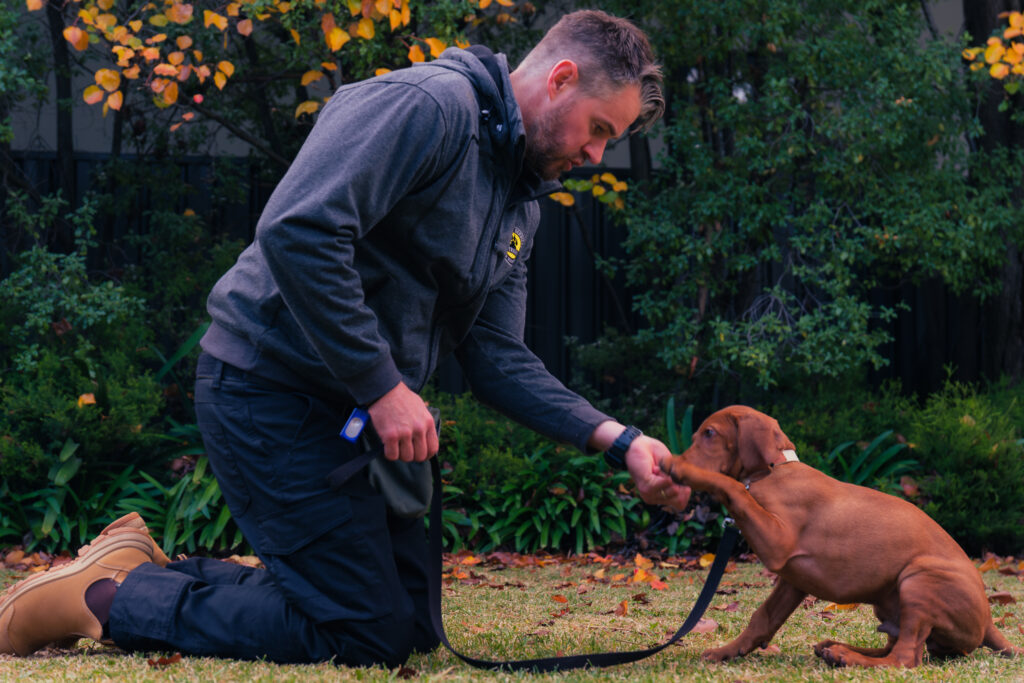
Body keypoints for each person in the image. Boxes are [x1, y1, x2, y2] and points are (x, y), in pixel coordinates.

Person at [0, 9, 691, 666]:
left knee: (412, 626)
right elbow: (299, 230)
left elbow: (497, 357)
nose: (598, 152)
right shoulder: (430, 106)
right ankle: (100, 599)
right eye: (599, 127)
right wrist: (384, 387)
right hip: (266, 390)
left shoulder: (519, 202)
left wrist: (621, 441)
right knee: (367, 630)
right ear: (561, 78)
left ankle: (138, 566)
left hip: (349, 416)